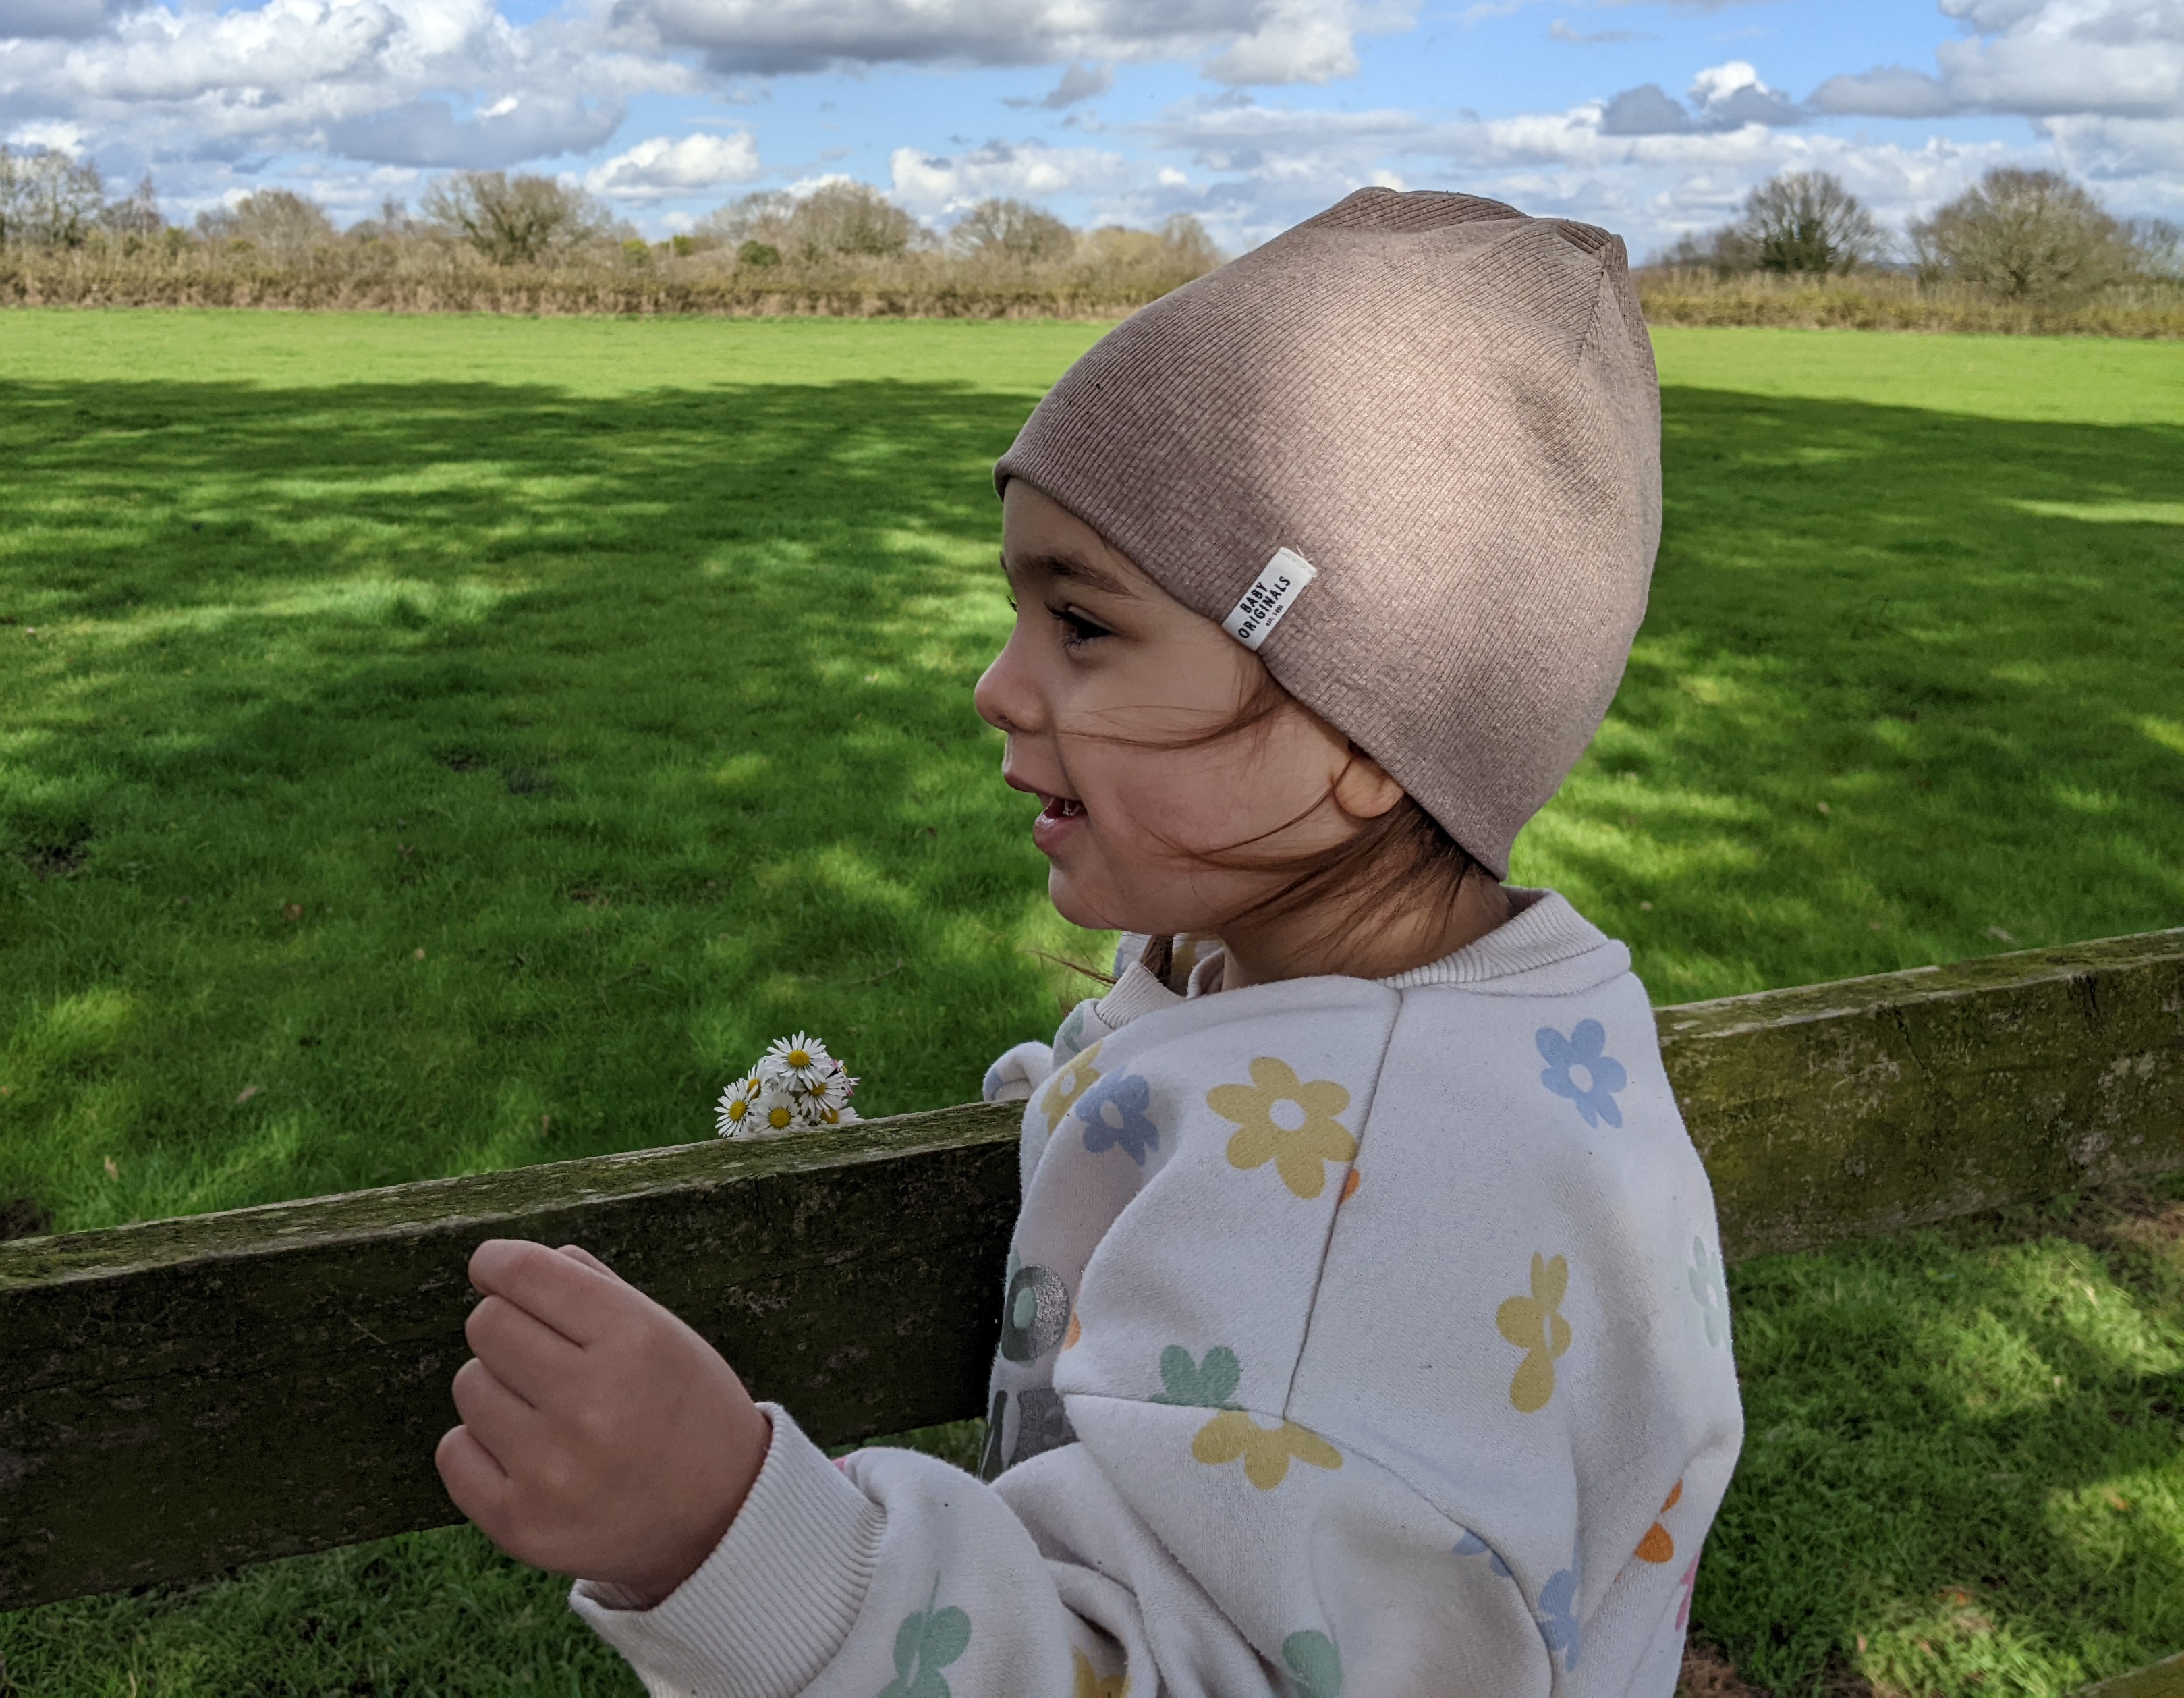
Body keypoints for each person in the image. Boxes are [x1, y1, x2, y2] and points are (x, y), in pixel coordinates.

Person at [435, 188, 1745, 1695]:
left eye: (1086, 626)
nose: (999, 687)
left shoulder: (1355, 1218)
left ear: (1374, 719)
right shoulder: (1454, 1029)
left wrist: (727, 1538)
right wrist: (1092, 1100)